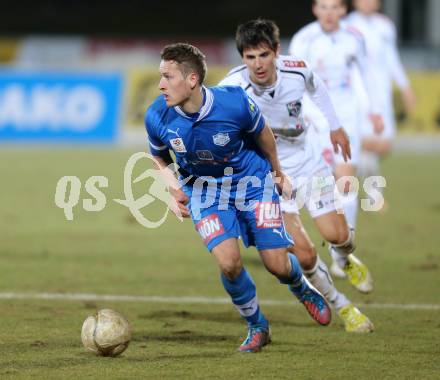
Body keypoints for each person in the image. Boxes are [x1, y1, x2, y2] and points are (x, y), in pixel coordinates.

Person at [145, 43, 331, 353]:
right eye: (160, 76)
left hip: (252, 182)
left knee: (276, 265)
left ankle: (302, 287)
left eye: (168, 76)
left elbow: (263, 135)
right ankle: (257, 325)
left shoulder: (233, 104)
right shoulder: (158, 115)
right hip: (203, 190)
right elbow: (158, 156)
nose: (161, 84)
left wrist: (277, 172)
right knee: (229, 263)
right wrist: (171, 188)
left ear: (191, 80)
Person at [220, 19, 374, 332]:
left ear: (276, 51)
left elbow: (318, 89)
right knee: (304, 256)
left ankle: (344, 258)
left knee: (338, 237)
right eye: (250, 57)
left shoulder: (297, 69)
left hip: (308, 163)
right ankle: (344, 307)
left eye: (263, 55)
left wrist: (335, 126)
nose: (258, 64)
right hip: (269, 177)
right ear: (242, 58)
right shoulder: (231, 88)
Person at [289, 0, 384, 278]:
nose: (329, 13)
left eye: (335, 7)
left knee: (345, 179)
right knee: (321, 182)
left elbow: (368, 74)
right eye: (324, 7)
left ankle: (342, 252)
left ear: (343, 11)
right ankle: (330, 237)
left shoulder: (354, 38)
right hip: (314, 116)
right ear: (315, 10)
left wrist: (376, 110)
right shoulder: (304, 39)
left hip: (345, 115)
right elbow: (291, 81)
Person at [346, 0, 416, 201]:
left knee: (383, 144)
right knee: (364, 139)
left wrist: (405, 86)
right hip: (357, 92)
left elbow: (391, 58)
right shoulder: (347, 25)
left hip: (381, 93)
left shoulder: (385, 26)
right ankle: (370, 195)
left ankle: (356, 184)